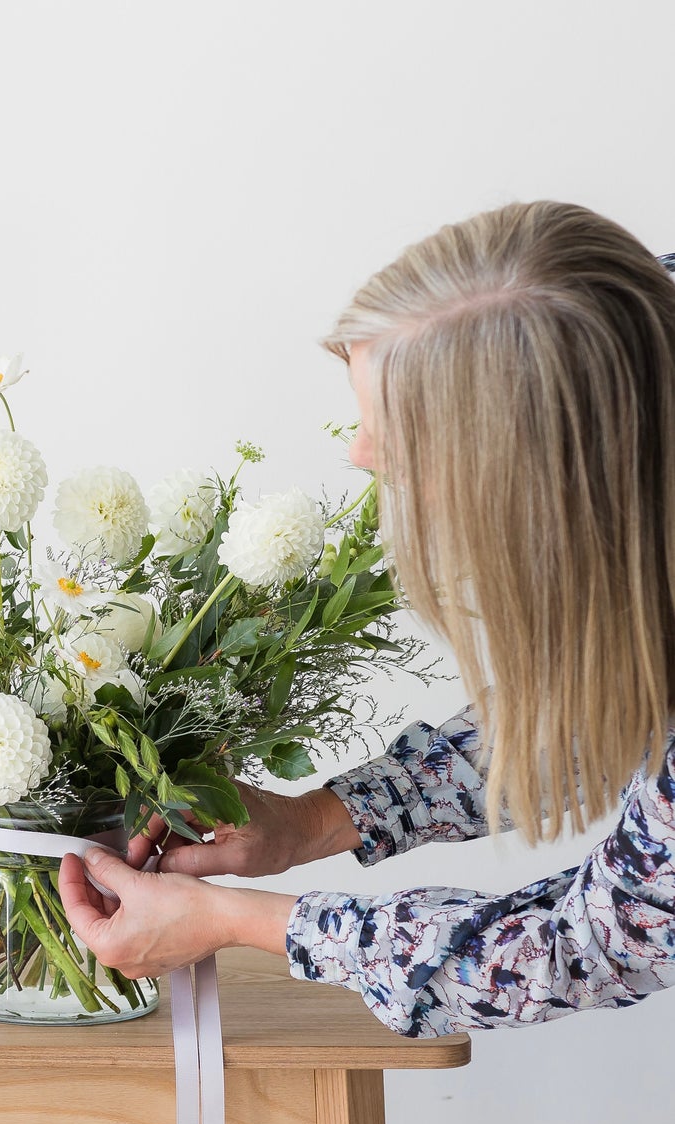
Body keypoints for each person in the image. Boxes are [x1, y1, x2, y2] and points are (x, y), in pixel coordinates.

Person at [58, 202, 675, 1037]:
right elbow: (619, 677)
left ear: (537, 484)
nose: (358, 453)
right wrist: (315, 820)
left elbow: (593, 943)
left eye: (398, 438)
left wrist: (239, 921)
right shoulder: (645, 342)